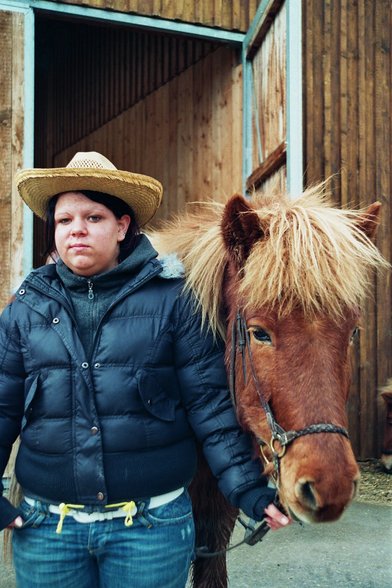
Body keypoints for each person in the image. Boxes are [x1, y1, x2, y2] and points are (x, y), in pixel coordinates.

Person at [0, 152, 290, 588]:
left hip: (149, 530)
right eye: (64, 220)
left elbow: (209, 407)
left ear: (122, 226)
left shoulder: (174, 302)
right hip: (47, 532)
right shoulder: (25, 309)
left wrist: (247, 488)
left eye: (93, 216)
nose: (76, 228)